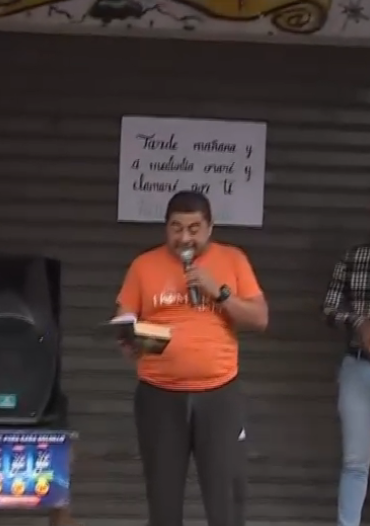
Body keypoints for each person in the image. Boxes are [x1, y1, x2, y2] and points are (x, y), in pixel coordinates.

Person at [116, 191, 268, 526]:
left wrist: (219, 292)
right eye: (176, 228)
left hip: (219, 396)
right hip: (158, 396)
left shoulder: (233, 260)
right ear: (166, 227)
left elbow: (259, 319)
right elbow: (125, 318)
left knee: (225, 502)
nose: (185, 238)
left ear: (210, 228)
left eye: (194, 229)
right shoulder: (143, 265)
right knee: (163, 503)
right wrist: (130, 341)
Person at [322, 245, 370, 526]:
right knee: (355, 463)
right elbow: (328, 308)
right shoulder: (354, 257)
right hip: (358, 366)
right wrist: (358, 321)